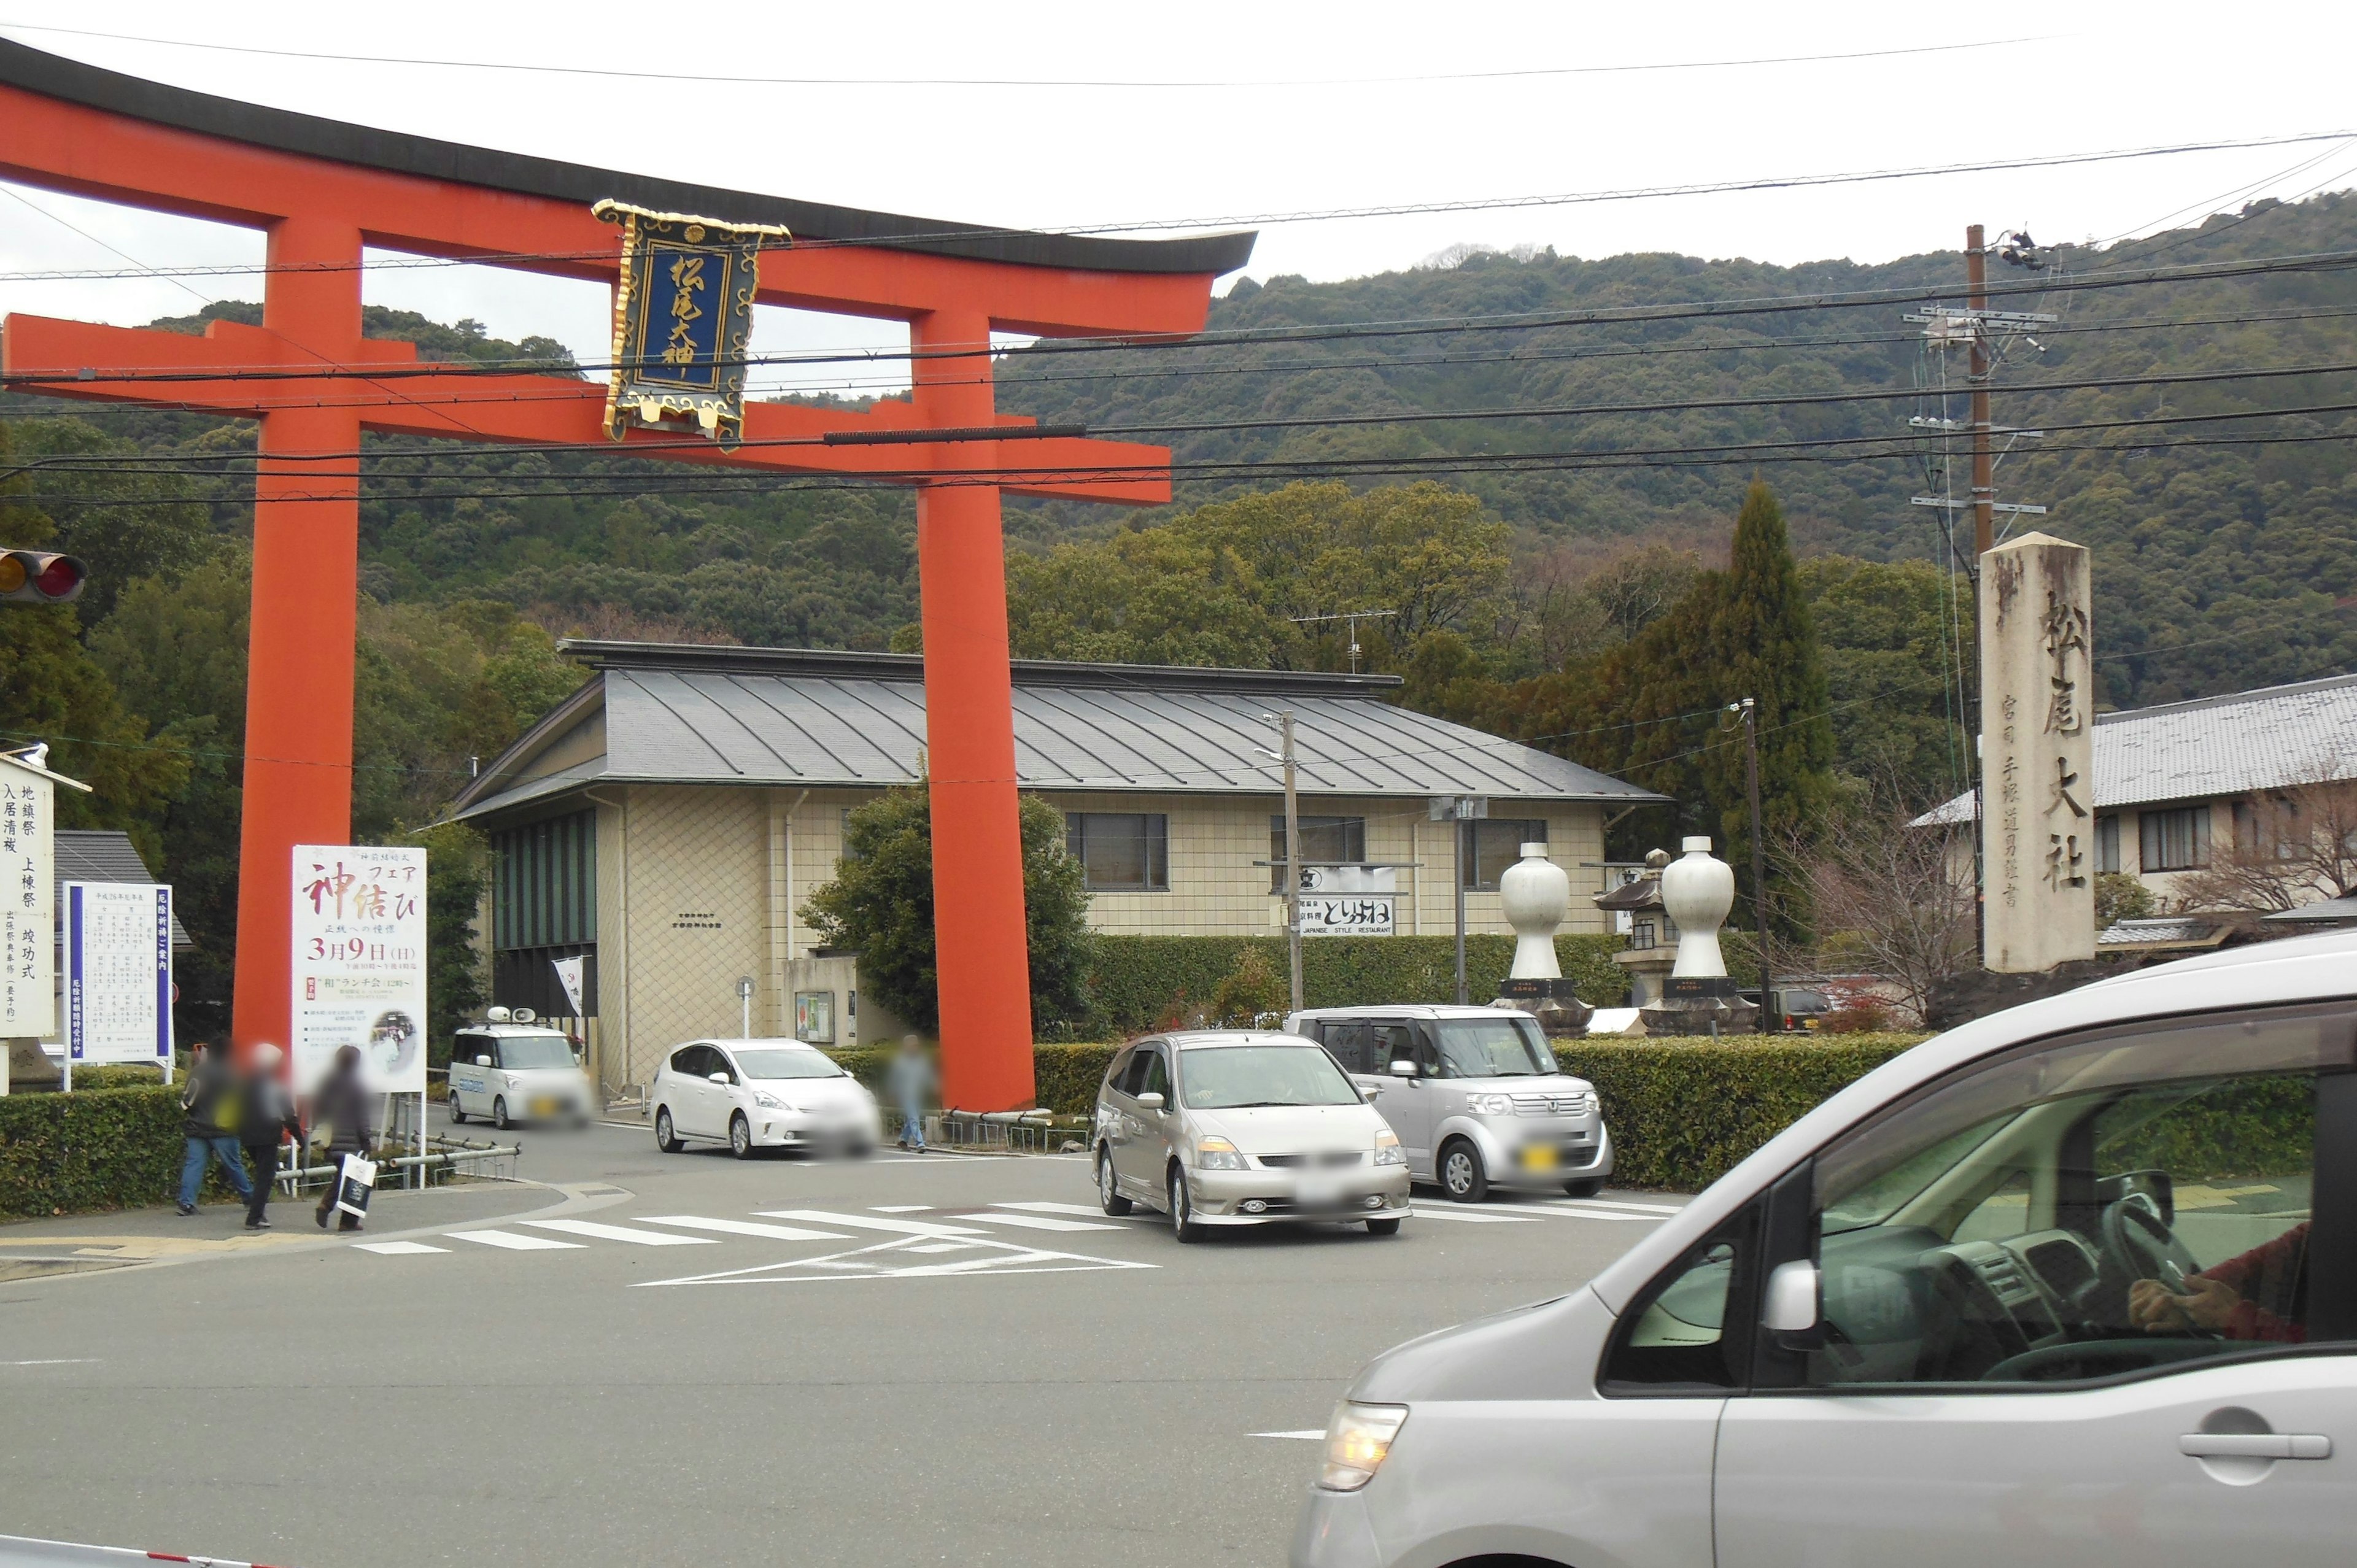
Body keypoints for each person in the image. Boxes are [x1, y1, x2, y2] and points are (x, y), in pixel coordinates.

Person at [2129, 1221, 2310, 1343]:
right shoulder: (2323, 1230)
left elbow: (2320, 1362)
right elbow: (2280, 1255)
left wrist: (2236, 1319)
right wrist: (2185, 1297)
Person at [177, 1038, 254, 1218]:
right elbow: (239, 1101)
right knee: (233, 1165)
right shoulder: (232, 1073)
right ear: (229, 1053)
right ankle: (250, 1198)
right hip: (223, 1128)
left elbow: (188, 1100)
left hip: (197, 1126)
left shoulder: (198, 1072)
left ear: (209, 1052)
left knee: (194, 1164)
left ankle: (186, 1203)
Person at [236, 1043, 303, 1232]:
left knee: (261, 1175)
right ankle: (254, 1217)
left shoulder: (245, 1082)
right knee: (265, 1177)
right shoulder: (274, 1085)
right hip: (268, 1135)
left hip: (247, 1135)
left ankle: (258, 1214)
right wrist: (300, 1138)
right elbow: (288, 1115)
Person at [311, 1045, 374, 1232]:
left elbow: (318, 1109)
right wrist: (367, 1140)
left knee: (345, 1176)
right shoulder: (356, 1086)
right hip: (351, 1140)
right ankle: (332, 1211)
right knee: (354, 1179)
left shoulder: (326, 1082)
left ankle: (346, 1220)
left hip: (331, 1139)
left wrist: (319, 1130)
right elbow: (361, 1117)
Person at [888, 1033, 934, 1153]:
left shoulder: (922, 1060)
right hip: (905, 1094)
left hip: (918, 1093)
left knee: (913, 1119)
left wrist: (933, 1085)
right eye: (912, 1046)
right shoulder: (900, 1061)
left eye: (916, 1046)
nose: (914, 1048)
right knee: (914, 1119)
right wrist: (893, 1092)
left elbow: (927, 1075)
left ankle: (903, 1139)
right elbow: (894, 1078)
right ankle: (920, 1143)